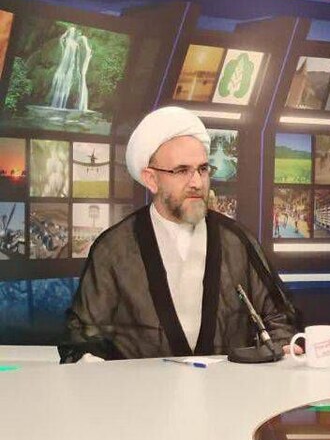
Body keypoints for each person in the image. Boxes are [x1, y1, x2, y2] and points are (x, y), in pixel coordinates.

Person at [60, 107, 300, 362]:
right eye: (182, 170)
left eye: (203, 169)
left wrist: (282, 348)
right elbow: (83, 337)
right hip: (142, 388)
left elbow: (279, 319)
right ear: (151, 179)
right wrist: (89, 361)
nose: (197, 182)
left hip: (227, 387)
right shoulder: (114, 249)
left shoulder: (236, 240)